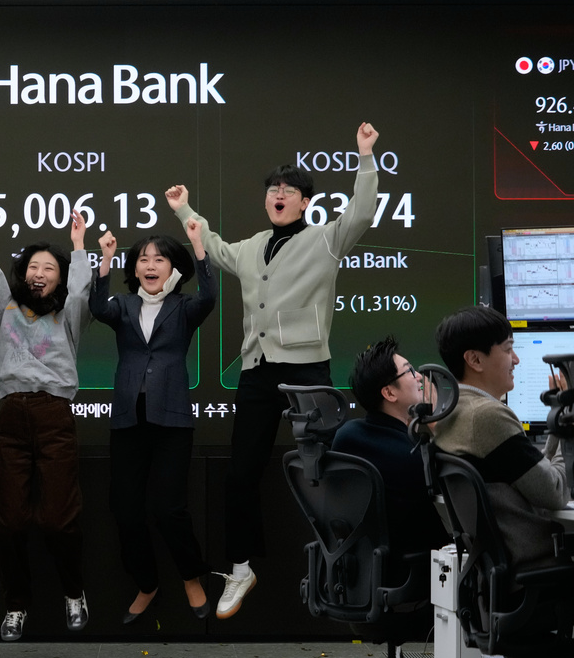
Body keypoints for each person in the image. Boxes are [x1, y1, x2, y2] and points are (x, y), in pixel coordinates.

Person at [165, 122, 380, 619]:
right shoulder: (252, 245)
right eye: (272, 190)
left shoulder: (326, 239)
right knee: (241, 472)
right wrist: (183, 210)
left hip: (307, 368)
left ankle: (349, 564)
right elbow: (212, 246)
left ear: (305, 202)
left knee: (329, 470)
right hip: (258, 372)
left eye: (288, 191)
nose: (278, 196)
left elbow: (363, 211)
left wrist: (365, 158)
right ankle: (240, 568)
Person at [0, 186, 92, 642]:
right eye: (34, 267)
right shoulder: (5, 310)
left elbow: (82, 286)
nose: (41, 274)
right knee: (11, 520)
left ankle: (74, 592)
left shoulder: (71, 313)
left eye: (50, 269)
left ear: (59, 279)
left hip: (54, 413)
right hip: (12, 417)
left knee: (59, 518)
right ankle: (15, 606)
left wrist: (78, 248)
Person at [90, 222, 216, 623]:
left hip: (171, 421)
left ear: (173, 268)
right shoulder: (123, 306)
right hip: (128, 419)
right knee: (126, 511)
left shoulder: (183, 308)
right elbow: (96, 307)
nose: (150, 264)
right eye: (143, 258)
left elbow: (210, 295)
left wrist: (198, 244)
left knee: (168, 509)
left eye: (159, 258)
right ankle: (146, 583)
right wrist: (105, 260)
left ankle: (190, 576)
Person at [433, 305, 568, 571]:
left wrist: (561, 417)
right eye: (507, 349)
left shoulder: (455, 411)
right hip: (536, 564)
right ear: (475, 360)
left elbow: (532, 470)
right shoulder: (487, 416)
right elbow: (555, 492)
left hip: (500, 573)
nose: (516, 359)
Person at [332, 337, 449, 571]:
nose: (419, 378)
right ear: (389, 393)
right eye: (410, 372)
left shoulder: (346, 435)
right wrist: (436, 417)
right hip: (416, 567)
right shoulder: (412, 454)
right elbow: (458, 484)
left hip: (360, 570)